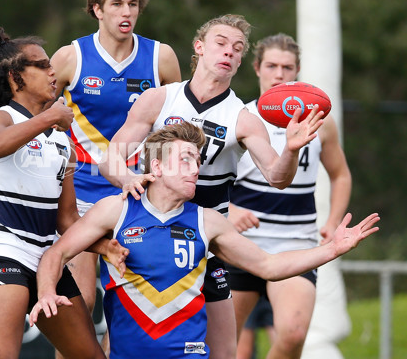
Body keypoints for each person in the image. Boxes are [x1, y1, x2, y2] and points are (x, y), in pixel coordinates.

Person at [29, 122, 379, 359]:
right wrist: (46, 292)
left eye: (197, 160)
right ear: (158, 167)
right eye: (185, 159)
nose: (195, 168)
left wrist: (331, 249)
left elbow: (269, 266)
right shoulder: (116, 211)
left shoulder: (207, 221)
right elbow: (56, 253)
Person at [100, 14, 325, 358]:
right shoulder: (159, 99)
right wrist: (127, 178)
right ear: (199, 47)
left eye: (237, 49)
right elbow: (110, 158)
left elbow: (278, 177)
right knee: (125, 336)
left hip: (205, 242)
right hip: (148, 234)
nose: (229, 53)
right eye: (221, 43)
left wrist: (291, 149)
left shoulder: (243, 118)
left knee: (223, 350)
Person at [0, 24, 127, 359]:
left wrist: (105, 247)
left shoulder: (62, 142)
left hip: (47, 260)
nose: (52, 70)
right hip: (3, 250)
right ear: (15, 78)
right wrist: (49, 117)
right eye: (41, 65)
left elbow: (68, 219)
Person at [50, 0, 181, 354]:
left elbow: (178, 123)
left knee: (128, 307)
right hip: (81, 196)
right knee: (78, 306)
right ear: (97, 9)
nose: (127, 13)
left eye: (134, 5)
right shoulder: (70, 57)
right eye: (118, 4)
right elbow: (33, 114)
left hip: (137, 197)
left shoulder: (161, 58)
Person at [227, 33, 352, 359]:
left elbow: (340, 175)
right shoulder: (239, 118)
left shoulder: (320, 123)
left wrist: (333, 220)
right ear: (256, 68)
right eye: (272, 65)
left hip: (296, 240)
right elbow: (204, 180)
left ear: (297, 72)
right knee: (227, 345)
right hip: (241, 244)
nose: (279, 74)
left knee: (294, 334)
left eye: (287, 67)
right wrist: (229, 209)